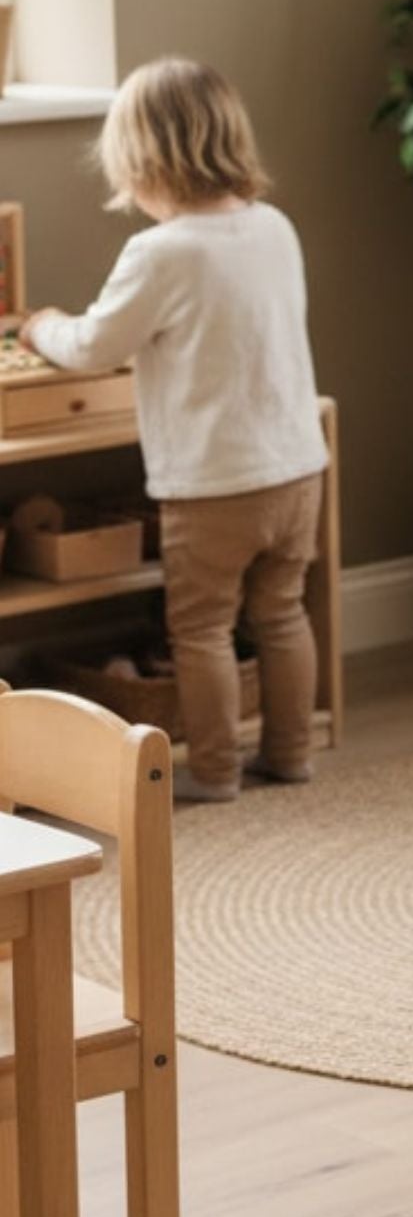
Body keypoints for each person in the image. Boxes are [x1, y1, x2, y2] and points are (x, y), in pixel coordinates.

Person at [24, 57, 328, 803]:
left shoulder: (159, 253)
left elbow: (97, 345)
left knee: (201, 630)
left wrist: (42, 326)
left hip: (212, 483)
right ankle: (291, 754)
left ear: (141, 160)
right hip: (294, 467)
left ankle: (216, 771)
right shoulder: (274, 228)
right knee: (282, 612)